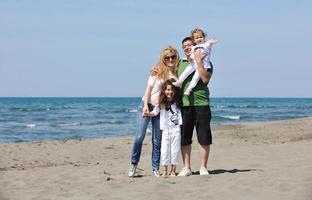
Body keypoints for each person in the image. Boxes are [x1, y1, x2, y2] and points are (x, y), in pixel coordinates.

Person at [128, 46, 180, 178]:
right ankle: (134, 164)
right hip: (146, 105)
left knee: (157, 141)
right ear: (163, 58)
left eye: (172, 57)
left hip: (160, 109)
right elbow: (148, 89)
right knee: (139, 137)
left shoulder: (175, 75)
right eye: (167, 57)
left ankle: (155, 168)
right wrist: (145, 105)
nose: (170, 59)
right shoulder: (157, 71)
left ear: (176, 57)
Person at [177, 36, 214, 176]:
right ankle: (186, 168)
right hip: (185, 104)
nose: (186, 47)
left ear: (195, 46)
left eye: (189, 45)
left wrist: (198, 60)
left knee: (203, 136)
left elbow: (205, 79)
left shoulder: (206, 60)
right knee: (185, 136)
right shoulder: (180, 64)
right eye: (184, 46)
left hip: (201, 102)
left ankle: (203, 167)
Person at [146, 80, 182, 177]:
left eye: (171, 90)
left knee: (175, 150)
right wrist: (148, 114)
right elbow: (155, 112)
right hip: (165, 129)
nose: (169, 92)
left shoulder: (178, 102)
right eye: (167, 89)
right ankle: (165, 170)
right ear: (164, 91)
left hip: (176, 129)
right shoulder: (161, 102)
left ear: (175, 91)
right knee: (165, 149)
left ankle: (173, 171)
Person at [173, 28, 218, 96]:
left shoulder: (205, 45)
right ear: (194, 40)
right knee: (186, 71)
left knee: (195, 78)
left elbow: (205, 80)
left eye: (201, 37)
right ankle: (179, 81)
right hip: (193, 64)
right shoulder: (182, 60)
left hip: (203, 65)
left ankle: (189, 89)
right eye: (197, 38)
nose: (199, 39)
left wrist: (212, 41)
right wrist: (191, 58)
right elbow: (192, 54)